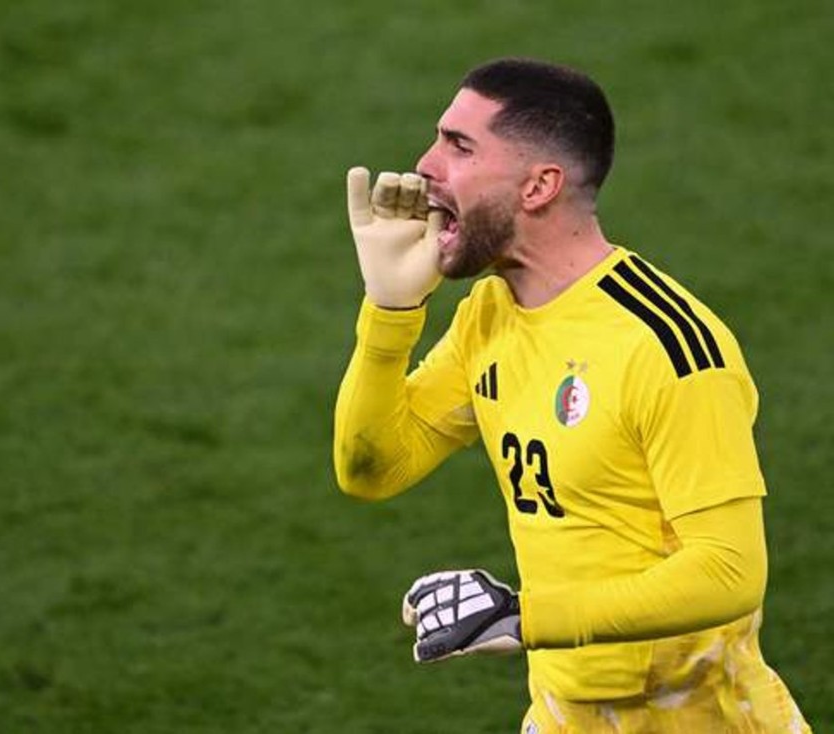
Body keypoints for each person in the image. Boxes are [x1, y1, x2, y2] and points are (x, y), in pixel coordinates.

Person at [333, 57, 811, 733]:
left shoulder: (666, 347)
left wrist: (523, 616)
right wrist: (389, 310)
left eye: (459, 147)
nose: (425, 166)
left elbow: (729, 571)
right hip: (565, 716)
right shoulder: (489, 315)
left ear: (539, 186)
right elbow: (373, 468)